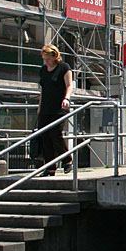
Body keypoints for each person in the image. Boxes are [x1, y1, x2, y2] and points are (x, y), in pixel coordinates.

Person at [37, 44, 74, 176]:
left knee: (55, 133)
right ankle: (50, 167)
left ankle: (67, 160)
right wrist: (39, 107)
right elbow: (43, 90)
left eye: (47, 58)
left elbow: (69, 86)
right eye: (44, 58)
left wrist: (67, 98)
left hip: (59, 108)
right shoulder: (43, 70)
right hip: (46, 107)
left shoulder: (64, 68)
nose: (46, 61)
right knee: (45, 136)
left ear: (54, 56)